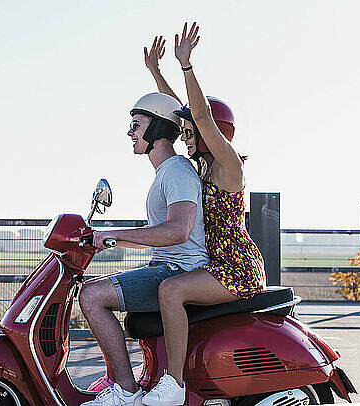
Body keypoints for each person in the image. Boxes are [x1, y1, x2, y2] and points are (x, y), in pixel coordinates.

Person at [140, 23, 267, 406]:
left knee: (171, 290)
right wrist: (156, 73)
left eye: (192, 133)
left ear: (213, 132)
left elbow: (200, 114)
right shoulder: (199, 170)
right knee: (163, 284)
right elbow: (185, 114)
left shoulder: (229, 166)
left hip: (235, 268)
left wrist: (186, 66)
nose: (185, 136)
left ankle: (173, 385)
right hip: (213, 266)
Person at [79, 91, 210, 406]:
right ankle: (122, 383)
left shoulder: (177, 171)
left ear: (157, 129)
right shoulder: (166, 172)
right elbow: (159, 233)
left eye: (136, 125)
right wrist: (106, 241)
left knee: (91, 296)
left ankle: (125, 390)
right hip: (165, 267)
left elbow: (178, 230)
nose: (130, 132)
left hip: (179, 270)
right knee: (93, 287)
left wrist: (114, 234)